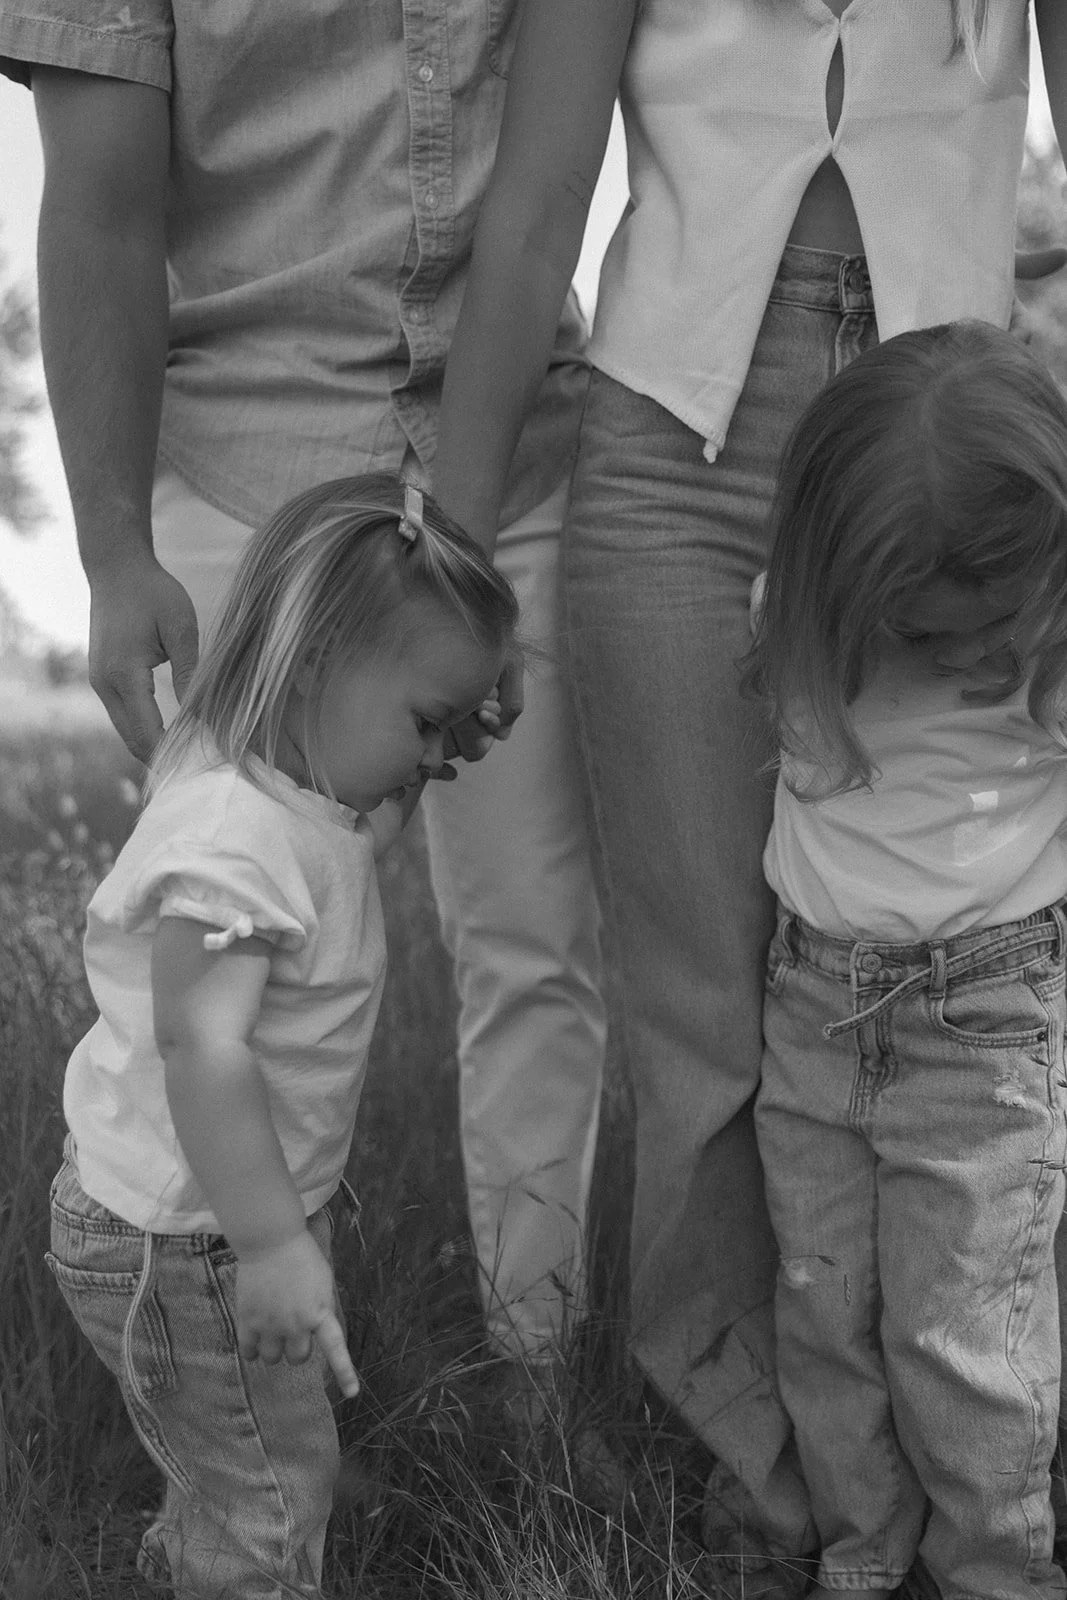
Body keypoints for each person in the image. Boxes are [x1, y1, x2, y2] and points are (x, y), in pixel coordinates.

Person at [433, 0, 1067, 1574]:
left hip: (946, 449)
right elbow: (534, 209)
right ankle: (762, 1494)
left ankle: (981, 1479)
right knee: (706, 1006)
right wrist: (452, 552)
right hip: (673, 445)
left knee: (989, 954)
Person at [0, 1, 607, 1370]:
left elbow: (542, 201)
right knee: (221, 955)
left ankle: (538, 1371)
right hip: (243, 460)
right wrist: (112, 551)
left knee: (532, 942)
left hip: (508, 447)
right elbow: (99, 207)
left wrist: (448, 582)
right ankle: (222, 1365)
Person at [46, 475, 519, 1597]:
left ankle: (193, 1546)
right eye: (424, 722)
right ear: (313, 662)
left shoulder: (284, 797)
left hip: (201, 1218)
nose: (435, 753)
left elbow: (354, 841)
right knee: (267, 1505)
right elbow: (201, 1045)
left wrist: (435, 730)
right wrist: (269, 1245)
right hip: (194, 1235)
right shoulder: (232, 841)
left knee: (237, 1453)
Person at [745, 320, 1067, 1600]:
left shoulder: (1047, 656)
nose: (970, 659)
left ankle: (993, 1570)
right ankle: (859, 1556)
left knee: (962, 1328)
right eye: (928, 636)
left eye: (994, 622)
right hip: (812, 1007)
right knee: (822, 1304)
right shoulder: (799, 631)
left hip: (983, 1022)